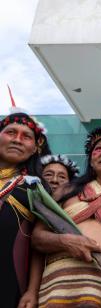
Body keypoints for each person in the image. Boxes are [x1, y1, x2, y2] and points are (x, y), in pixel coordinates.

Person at [33, 126, 101, 307]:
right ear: (90, 160)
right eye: (99, 149)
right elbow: (37, 238)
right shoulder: (65, 191)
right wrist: (65, 241)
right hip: (57, 280)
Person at [0, 113, 47, 308]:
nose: (17, 140)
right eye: (11, 132)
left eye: (26, 136)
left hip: (7, 282)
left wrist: (32, 290)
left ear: (36, 147)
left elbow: (39, 245)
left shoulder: (36, 189)